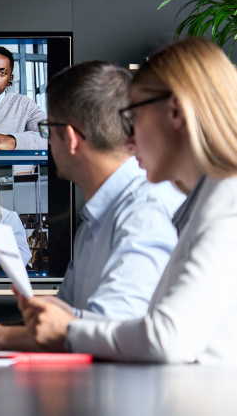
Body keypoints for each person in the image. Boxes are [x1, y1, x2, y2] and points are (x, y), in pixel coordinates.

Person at [0, 61, 184, 352]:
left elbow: (113, 334)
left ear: (70, 138)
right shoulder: (98, 218)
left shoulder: (145, 212)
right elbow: (66, 321)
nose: (46, 140)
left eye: (47, 128)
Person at [17, 38, 237, 363]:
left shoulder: (226, 204)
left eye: (134, 115)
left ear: (174, 111)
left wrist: (68, 330)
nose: (128, 139)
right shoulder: (206, 203)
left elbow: (166, 338)